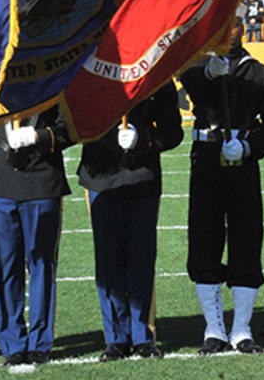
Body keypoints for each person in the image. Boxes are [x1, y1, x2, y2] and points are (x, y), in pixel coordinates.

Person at [179, 16, 264, 355]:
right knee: (205, 237)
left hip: (242, 161)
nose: (230, 31)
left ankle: (241, 328)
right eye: (224, 24)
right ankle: (213, 327)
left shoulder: (261, 73)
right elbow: (190, 81)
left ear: (244, 29)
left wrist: (250, 146)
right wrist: (208, 71)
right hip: (207, 161)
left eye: (236, 24)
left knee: (246, 236)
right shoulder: (199, 66)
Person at [77, 82, 183, 361]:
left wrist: (144, 138)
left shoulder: (157, 76)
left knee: (141, 259)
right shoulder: (90, 72)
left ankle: (142, 336)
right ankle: (115, 338)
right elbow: (74, 121)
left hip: (141, 176)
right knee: (108, 260)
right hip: (100, 176)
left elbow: (173, 132)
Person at [0, 107, 75, 366]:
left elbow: (71, 130)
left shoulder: (53, 77)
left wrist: (37, 135)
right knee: (3, 267)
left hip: (42, 181)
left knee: (42, 266)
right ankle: (12, 343)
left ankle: (40, 343)